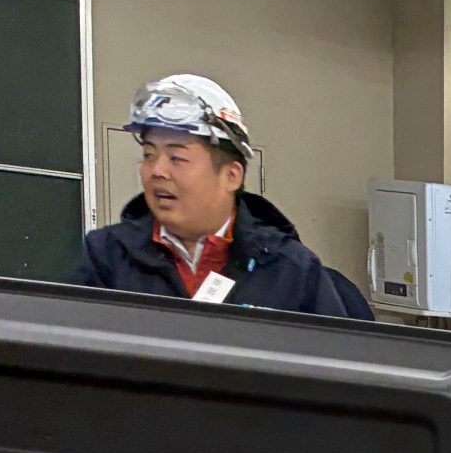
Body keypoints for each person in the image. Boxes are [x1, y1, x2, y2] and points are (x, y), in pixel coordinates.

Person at [70, 75, 371, 319]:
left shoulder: (291, 270)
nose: (157, 171)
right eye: (149, 155)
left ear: (231, 176)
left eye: (177, 158)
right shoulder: (107, 257)